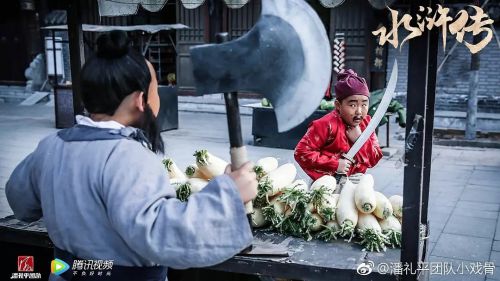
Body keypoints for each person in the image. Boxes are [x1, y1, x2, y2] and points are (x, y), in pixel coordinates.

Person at [6, 31, 257, 281]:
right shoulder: (128, 157)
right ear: (140, 100)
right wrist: (229, 195)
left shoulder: (51, 146)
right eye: (155, 89)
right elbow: (163, 235)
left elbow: (20, 201)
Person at [294, 69, 383, 183]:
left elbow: (374, 159)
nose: (359, 111)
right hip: (326, 182)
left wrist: (359, 140)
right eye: (353, 105)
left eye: (364, 104)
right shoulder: (324, 125)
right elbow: (301, 152)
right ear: (338, 105)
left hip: (357, 181)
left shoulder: (367, 124)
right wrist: (335, 164)